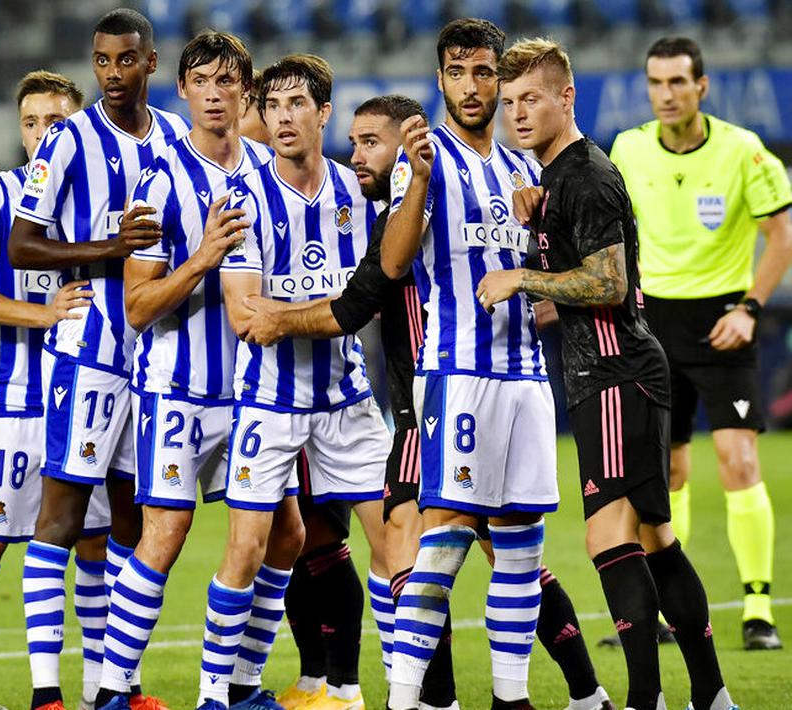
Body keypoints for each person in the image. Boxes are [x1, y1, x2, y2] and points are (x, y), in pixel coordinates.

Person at [240, 94, 608, 710]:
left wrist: (280, 320)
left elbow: (352, 307)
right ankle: (580, 692)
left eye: (372, 143)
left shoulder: (416, 213)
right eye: (353, 142)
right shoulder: (391, 212)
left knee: (422, 551)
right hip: (432, 405)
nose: (358, 156)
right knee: (499, 555)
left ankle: (436, 699)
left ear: (409, 149)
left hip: (439, 403)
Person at [478, 37, 739, 710]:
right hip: (617, 372)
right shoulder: (559, 180)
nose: (517, 113)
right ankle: (709, 695)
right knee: (655, 537)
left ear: (566, 96)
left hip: (614, 376)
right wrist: (541, 245)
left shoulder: (584, 174)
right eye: (509, 103)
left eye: (531, 98)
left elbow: (606, 281)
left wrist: (521, 277)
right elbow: (584, 280)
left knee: (608, 537)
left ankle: (643, 699)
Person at [7, 8, 188, 710]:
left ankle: (117, 687)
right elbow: (22, 246)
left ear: (149, 62)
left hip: (157, 354)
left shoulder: (175, 134)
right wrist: (104, 251)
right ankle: (46, 693)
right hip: (88, 351)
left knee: (131, 520)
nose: (112, 73)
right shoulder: (69, 140)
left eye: (125, 60)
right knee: (59, 515)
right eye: (101, 61)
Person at [204, 53, 393, 710]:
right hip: (268, 403)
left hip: (347, 401)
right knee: (248, 548)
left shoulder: (356, 191)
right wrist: (333, 310)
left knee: (395, 542)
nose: (281, 118)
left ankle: (385, 692)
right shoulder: (242, 199)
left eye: (295, 105)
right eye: (271, 106)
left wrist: (292, 314)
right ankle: (213, 697)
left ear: (322, 113)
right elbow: (244, 319)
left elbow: (366, 298)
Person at [94, 30, 272, 710]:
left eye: (227, 83)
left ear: (244, 93)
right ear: (184, 91)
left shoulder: (265, 167)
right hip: (177, 388)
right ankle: (113, 691)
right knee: (164, 534)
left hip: (256, 392)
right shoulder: (159, 177)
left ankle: (237, 686)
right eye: (201, 82)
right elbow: (136, 307)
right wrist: (200, 259)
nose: (214, 95)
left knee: (277, 534)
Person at [380, 19, 554, 710]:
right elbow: (393, 263)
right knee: (445, 539)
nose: (472, 85)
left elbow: (548, 279)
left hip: (526, 376)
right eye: (458, 71)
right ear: (440, 79)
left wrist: (543, 238)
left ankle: (509, 697)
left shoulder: (525, 167)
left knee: (520, 544)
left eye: (484, 72)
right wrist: (417, 180)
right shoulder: (423, 160)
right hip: (455, 373)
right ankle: (402, 699)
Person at [0, 69, 108, 710]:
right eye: (30, 123)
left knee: (93, 542)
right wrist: (44, 314)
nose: (41, 135)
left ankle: (96, 691)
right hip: (13, 400)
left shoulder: (101, 195)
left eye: (55, 123)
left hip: (89, 399)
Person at [610, 36, 792, 651]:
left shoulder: (744, 151)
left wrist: (749, 309)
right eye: (656, 83)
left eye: (678, 83)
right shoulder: (629, 149)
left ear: (701, 87)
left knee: (738, 460)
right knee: (666, 473)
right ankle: (665, 611)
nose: (666, 94)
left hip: (723, 324)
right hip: (653, 323)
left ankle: (759, 611)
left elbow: (782, 236)